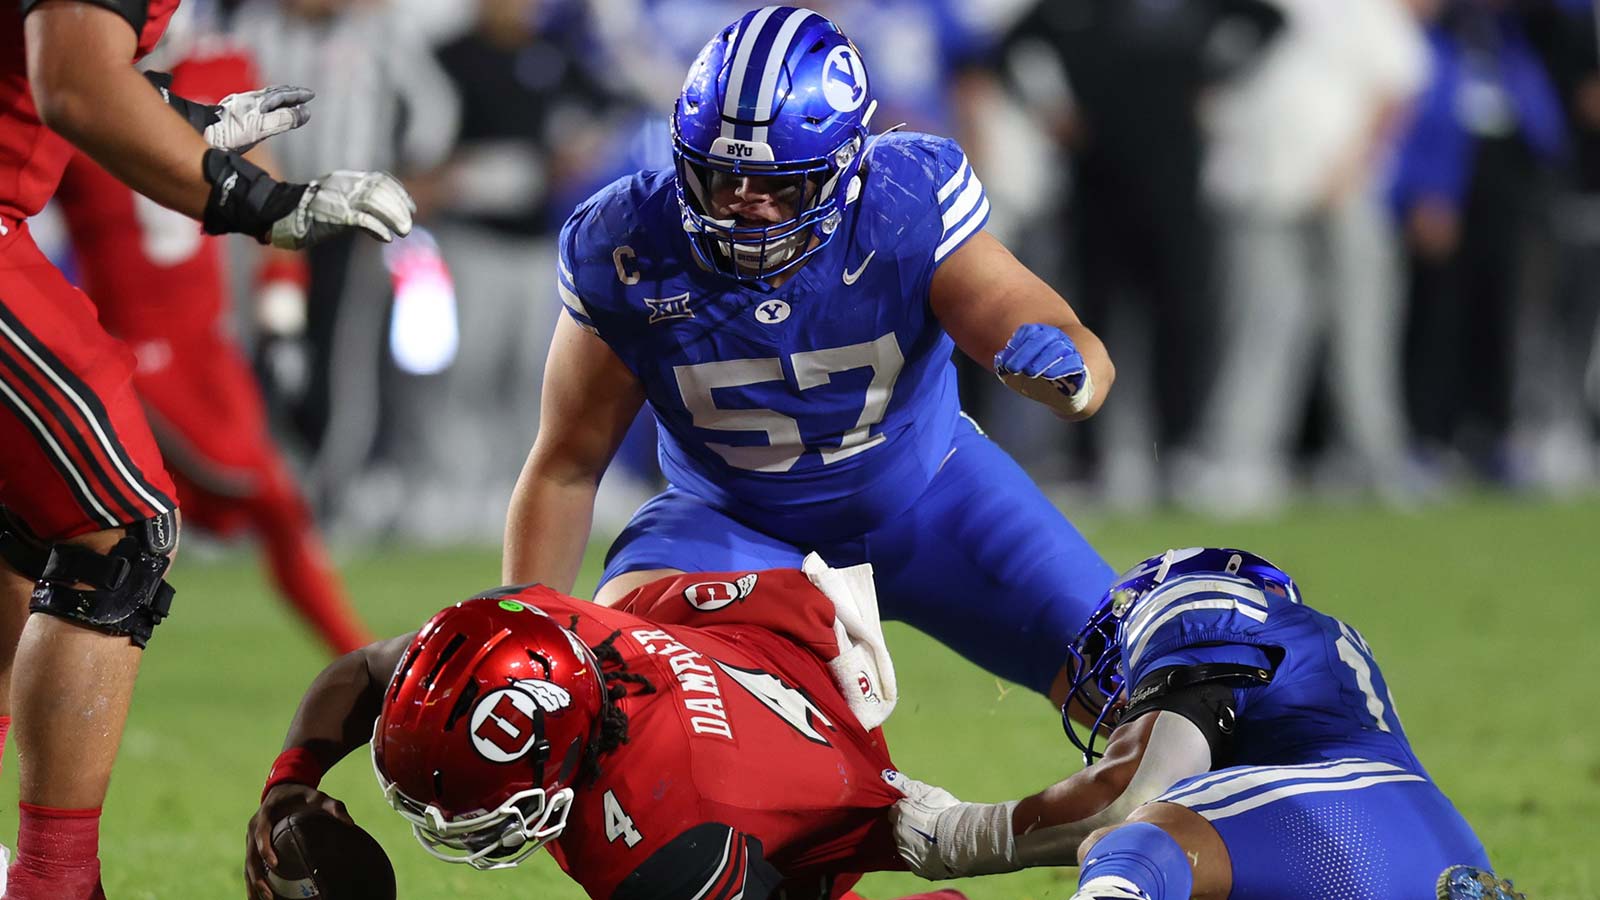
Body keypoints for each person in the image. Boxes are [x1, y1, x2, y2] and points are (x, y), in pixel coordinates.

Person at [504, 5, 1117, 710]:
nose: (743, 206)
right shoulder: (627, 247)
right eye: (720, 178)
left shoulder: (901, 202)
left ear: (844, 166)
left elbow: (1061, 336)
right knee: (635, 689)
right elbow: (567, 466)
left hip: (931, 497)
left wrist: (1066, 375)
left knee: (1141, 674)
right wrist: (525, 631)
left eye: (777, 185)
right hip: (730, 524)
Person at [0, 0, 413, 895]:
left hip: (173, 327)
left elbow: (52, 83)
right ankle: (54, 883)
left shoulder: (217, 58)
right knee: (123, 526)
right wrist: (264, 203)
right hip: (86, 299)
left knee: (30, 525)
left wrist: (176, 116)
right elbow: (70, 87)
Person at [243, 558, 971, 899]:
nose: (450, 817)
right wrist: (289, 783)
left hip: (799, 770)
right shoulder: (528, 630)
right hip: (746, 661)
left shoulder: (669, 823)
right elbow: (370, 672)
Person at [884, 547, 1523, 900]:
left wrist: (958, 834)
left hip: (1337, 840)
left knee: (1136, 836)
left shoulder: (1200, 604)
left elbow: (1127, 796)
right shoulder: (1320, 655)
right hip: (1449, 858)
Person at [54, 37, 372, 656]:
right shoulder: (70, 74)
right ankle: (360, 659)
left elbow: (269, 191)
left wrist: (281, 318)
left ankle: (360, 659)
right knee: (137, 529)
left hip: (206, 345)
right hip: (131, 349)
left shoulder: (222, 67)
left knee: (252, 508)